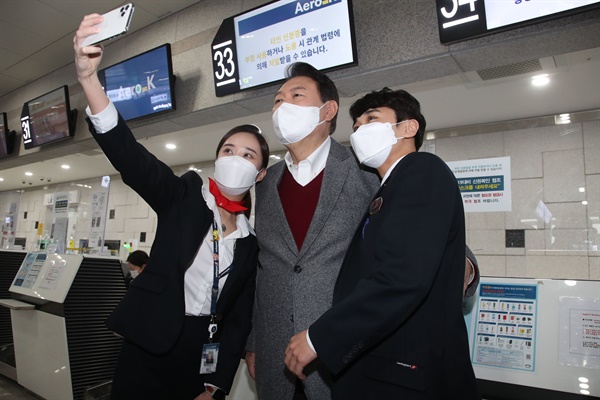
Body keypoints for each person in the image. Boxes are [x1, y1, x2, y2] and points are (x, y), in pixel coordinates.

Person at [75, 14, 269, 400]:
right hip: (151, 341)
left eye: (248, 155)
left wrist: (216, 384)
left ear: (260, 175)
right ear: (216, 159)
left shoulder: (250, 243)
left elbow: (238, 317)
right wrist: (87, 79)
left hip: (202, 356)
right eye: (228, 150)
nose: (236, 158)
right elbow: (130, 157)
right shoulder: (184, 197)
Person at [284, 87, 481, 399]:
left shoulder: (421, 169)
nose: (361, 128)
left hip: (407, 375)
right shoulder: (388, 189)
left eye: (371, 118)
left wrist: (319, 338)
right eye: (357, 124)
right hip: (384, 369)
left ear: (408, 127)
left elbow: (402, 277)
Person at [245, 62, 380, 400]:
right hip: (274, 353)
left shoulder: (365, 169)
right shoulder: (266, 183)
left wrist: (460, 266)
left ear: (328, 110)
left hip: (344, 350)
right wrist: (253, 341)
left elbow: (413, 226)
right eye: (277, 100)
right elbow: (266, 268)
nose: (281, 106)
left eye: (296, 95)